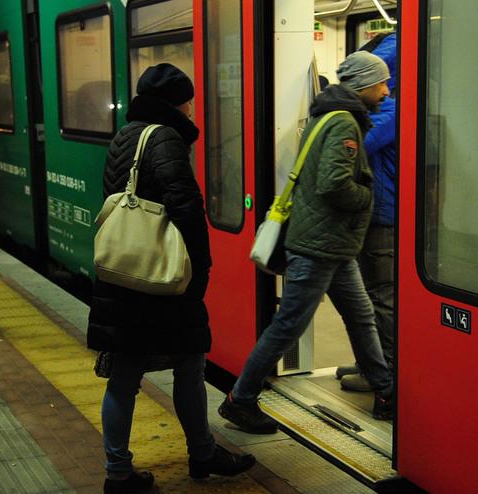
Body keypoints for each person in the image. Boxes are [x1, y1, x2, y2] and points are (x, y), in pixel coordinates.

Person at [88, 63, 255, 493]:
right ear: (179, 102)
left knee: (125, 375)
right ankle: (201, 454)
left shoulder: (125, 135)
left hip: (124, 273)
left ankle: (118, 472)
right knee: (189, 364)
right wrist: (200, 270)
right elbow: (185, 206)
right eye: (189, 100)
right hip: (159, 279)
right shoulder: (166, 137)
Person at [218, 51, 395, 435]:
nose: (386, 90)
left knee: (362, 317)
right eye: (381, 82)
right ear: (364, 85)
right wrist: (367, 197)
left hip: (332, 244)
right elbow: (332, 183)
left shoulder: (326, 114)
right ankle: (240, 399)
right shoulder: (344, 122)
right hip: (318, 246)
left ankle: (385, 391)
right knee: (287, 326)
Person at [340, 34, 398, 392]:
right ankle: (368, 361)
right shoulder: (374, 110)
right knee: (368, 295)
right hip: (371, 213)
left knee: (381, 297)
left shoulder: (388, 112)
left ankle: (385, 370)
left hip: (383, 214)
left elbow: (359, 146)